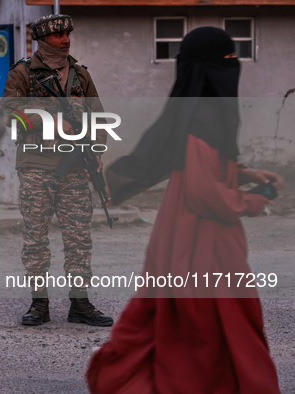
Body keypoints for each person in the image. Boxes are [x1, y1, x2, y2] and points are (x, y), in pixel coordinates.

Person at [86, 27, 283, 393]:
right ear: (211, 66)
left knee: (186, 320)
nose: (234, 65)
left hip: (192, 232)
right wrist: (254, 200)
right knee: (209, 325)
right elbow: (204, 192)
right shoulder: (202, 117)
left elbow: (204, 169)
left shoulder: (201, 111)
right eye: (227, 59)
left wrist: (244, 174)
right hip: (200, 241)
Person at [3, 14, 113, 327]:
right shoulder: (22, 73)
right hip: (36, 166)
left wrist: (97, 152)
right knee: (35, 237)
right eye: (58, 35)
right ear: (42, 39)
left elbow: (98, 115)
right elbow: (10, 116)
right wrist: (48, 121)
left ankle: (80, 303)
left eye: (67, 34)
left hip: (76, 168)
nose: (65, 39)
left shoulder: (80, 74)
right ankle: (39, 304)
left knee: (79, 237)